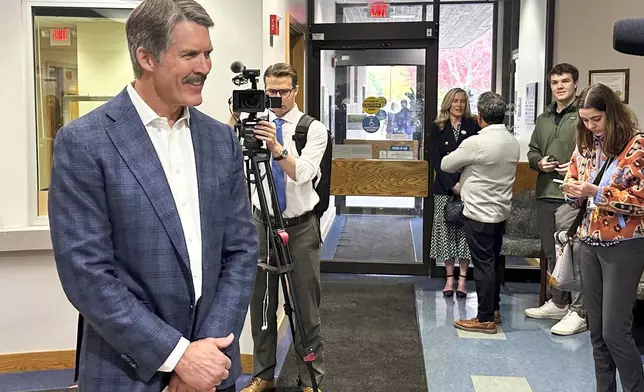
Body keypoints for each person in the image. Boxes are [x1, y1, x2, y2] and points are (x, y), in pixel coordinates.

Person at [47, 1, 258, 391]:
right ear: (146, 56)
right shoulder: (85, 142)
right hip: (127, 371)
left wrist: (204, 353)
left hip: (214, 364)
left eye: (208, 53)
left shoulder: (221, 140)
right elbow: (87, 273)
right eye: (190, 54)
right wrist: (179, 357)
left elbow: (242, 250)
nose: (205, 67)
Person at [241, 63, 328, 392]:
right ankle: (263, 375)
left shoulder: (312, 129)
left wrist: (277, 147)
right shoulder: (254, 126)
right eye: (270, 92)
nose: (276, 97)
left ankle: (310, 379)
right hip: (261, 224)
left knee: (306, 308)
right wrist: (237, 122)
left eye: (282, 91)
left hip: (300, 227)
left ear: (295, 91)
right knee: (261, 305)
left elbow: (302, 173)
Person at [561, 83, 644, 392]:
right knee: (596, 331)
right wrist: (572, 192)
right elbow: (572, 183)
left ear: (612, 114)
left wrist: (599, 192)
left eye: (596, 119)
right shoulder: (585, 147)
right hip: (588, 242)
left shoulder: (637, 147)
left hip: (625, 244)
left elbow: (641, 201)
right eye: (585, 119)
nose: (591, 126)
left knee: (614, 332)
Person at [442, 92, 520, 334]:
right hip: (500, 211)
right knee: (494, 261)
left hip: (478, 212)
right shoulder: (511, 141)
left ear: (481, 116)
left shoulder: (477, 142)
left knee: (483, 263)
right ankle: (494, 308)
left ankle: (485, 318)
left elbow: (446, 164)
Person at [524, 63, 587, 336]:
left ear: (575, 84)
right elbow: (532, 151)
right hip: (546, 191)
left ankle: (578, 310)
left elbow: (591, 152)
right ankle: (558, 302)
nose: (559, 86)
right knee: (551, 253)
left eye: (564, 81)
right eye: (554, 82)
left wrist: (572, 166)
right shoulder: (544, 117)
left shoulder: (584, 115)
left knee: (573, 253)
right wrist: (540, 163)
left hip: (573, 195)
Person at [429, 87, 480, 298]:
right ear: (448, 103)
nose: (459, 105)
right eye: (455, 101)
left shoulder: (474, 126)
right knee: (447, 234)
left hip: (468, 188)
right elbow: (436, 161)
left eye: (463, 101)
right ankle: (449, 279)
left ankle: (463, 280)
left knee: (465, 236)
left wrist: (463, 184)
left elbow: (476, 157)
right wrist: (452, 185)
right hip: (444, 188)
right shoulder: (437, 127)